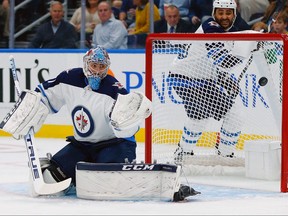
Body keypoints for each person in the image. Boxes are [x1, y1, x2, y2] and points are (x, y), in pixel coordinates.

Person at [1, 46, 199, 202]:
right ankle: (78, 178)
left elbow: (129, 129)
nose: (96, 71)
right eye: (93, 65)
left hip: (114, 145)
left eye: (101, 67)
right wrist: (29, 111)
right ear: (86, 64)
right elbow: (43, 95)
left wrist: (124, 123)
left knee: (105, 181)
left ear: (106, 67)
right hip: (82, 145)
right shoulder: (69, 78)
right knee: (52, 176)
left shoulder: (114, 90)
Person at [171, 0, 255, 161]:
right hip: (184, 77)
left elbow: (213, 63)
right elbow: (222, 61)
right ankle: (183, 153)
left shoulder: (230, 32)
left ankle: (225, 154)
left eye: (228, 13)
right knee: (199, 116)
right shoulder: (210, 27)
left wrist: (223, 78)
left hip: (205, 80)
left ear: (234, 14)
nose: (224, 17)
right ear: (213, 14)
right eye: (220, 13)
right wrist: (248, 48)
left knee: (235, 115)